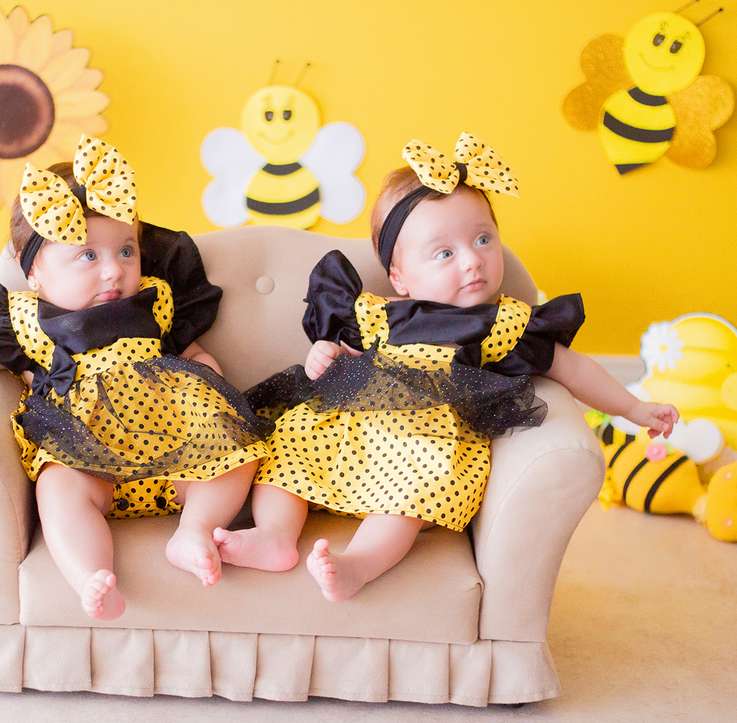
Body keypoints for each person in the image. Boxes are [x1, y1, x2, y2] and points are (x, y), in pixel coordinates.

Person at [214, 133, 678, 602]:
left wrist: (634, 408)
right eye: (445, 253)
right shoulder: (378, 312)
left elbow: (573, 370)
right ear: (400, 277)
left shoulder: (503, 323)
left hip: (425, 444)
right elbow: (342, 352)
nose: (473, 260)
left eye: (483, 239)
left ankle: (359, 564)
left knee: (413, 497)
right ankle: (274, 535)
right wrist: (326, 352)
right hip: (347, 432)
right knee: (286, 448)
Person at [0, 136, 268, 621]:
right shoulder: (30, 320)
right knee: (58, 492)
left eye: (126, 251)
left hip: (176, 450)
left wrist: (209, 376)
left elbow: (187, 351)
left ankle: (194, 531)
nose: (113, 271)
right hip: (85, 454)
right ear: (36, 276)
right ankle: (91, 575)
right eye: (88, 256)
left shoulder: (157, 299)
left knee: (239, 459)